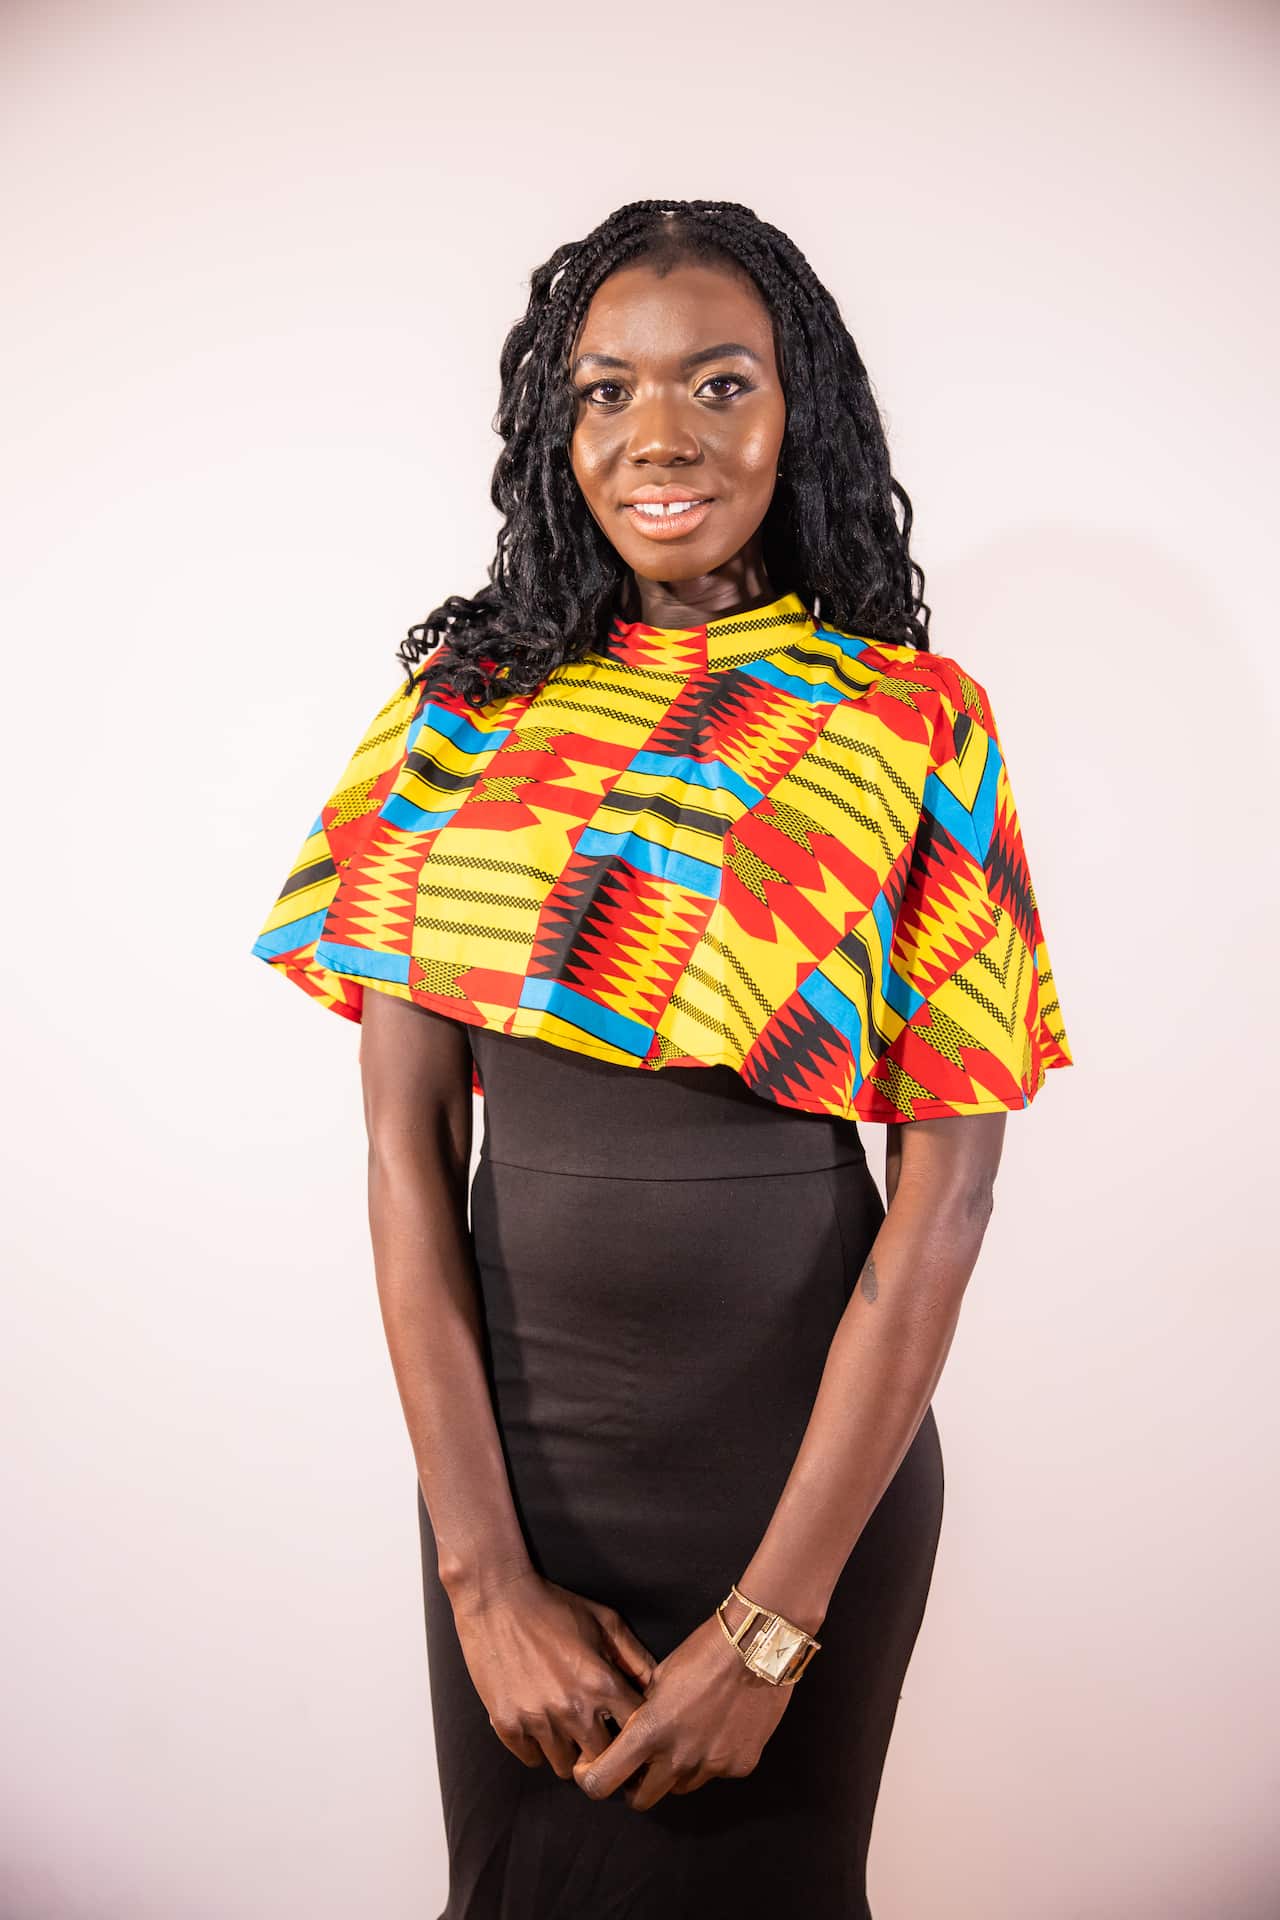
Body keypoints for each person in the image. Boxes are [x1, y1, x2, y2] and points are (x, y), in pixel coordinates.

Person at [250, 198, 1074, 1919]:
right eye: (606, 391)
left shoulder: (906, 719)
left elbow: (948, 1198)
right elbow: (407, 1157)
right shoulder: (458, 716)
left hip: (796, 1484)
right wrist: (485, 1582)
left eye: (720, 382)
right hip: (508, 1485)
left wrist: (772, 1628)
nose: (660, 435)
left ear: (800, 413)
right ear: (556, 432)